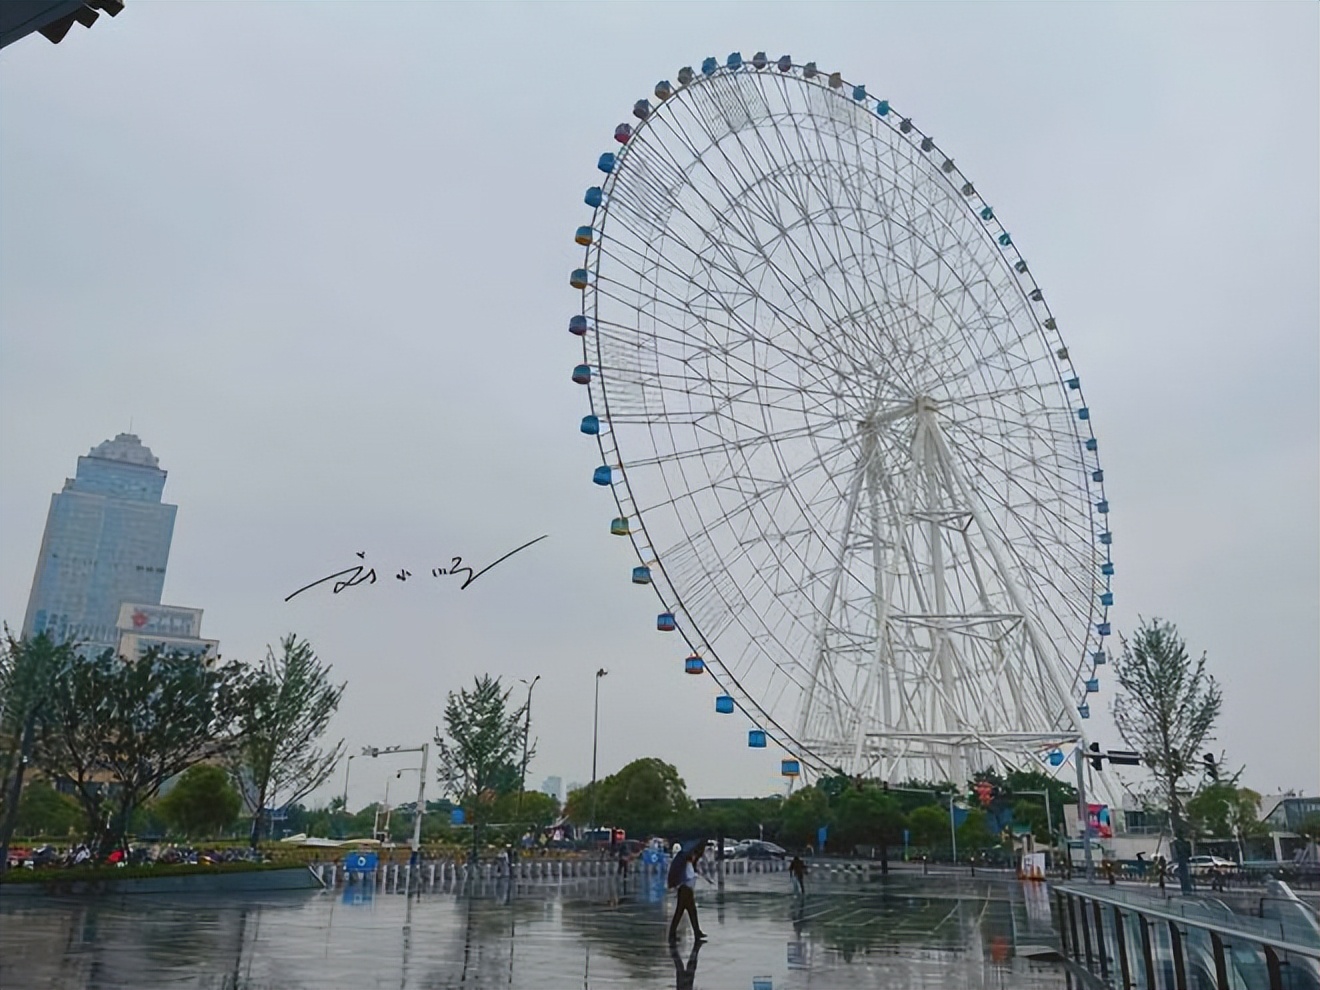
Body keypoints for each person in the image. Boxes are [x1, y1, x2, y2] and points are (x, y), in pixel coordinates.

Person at [667, 842, 708, 943]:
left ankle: (696, 932)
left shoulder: (688, 864)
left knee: (690, 911)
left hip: (688, 890)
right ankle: (673, 934)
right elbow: (687, 877)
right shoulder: (683, 864)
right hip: (685, 890)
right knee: (681, 912)